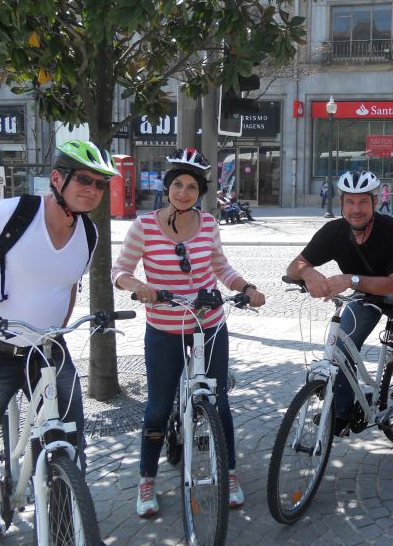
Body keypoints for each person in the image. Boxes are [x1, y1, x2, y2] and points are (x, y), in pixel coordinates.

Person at [0, 139, 119, 545]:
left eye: (100, 184)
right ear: (57, 178)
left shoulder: (89, 233)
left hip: (48, 352)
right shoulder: (12, 214)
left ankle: (65, 535)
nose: (92, 189)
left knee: (68, 451)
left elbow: (68, 287)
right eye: (83, 179)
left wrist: (57, 329)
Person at [112, 148, 266, 516]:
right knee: (158, 408)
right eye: (178, 185)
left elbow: (221, 266)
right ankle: (146, 478)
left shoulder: (209, 224)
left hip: (209, 327)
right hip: (164, 329)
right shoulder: (144, 227)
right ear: (167, 189)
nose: (184, 192)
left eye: (192, 187)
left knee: (219, 402)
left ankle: (228, 472)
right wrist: (139, 286)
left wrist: (246, 287)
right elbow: (119, 270)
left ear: (200, 192)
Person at [285, 170, 393, 483]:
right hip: (366, 295)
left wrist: (349, 280)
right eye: (349, 202)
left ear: (375, 202)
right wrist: (308, 273)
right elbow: (295, 265)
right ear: (341, 203)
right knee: (339, 343)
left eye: (362, 202)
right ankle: (341, 412)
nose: (355, 209)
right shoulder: (335, 231)